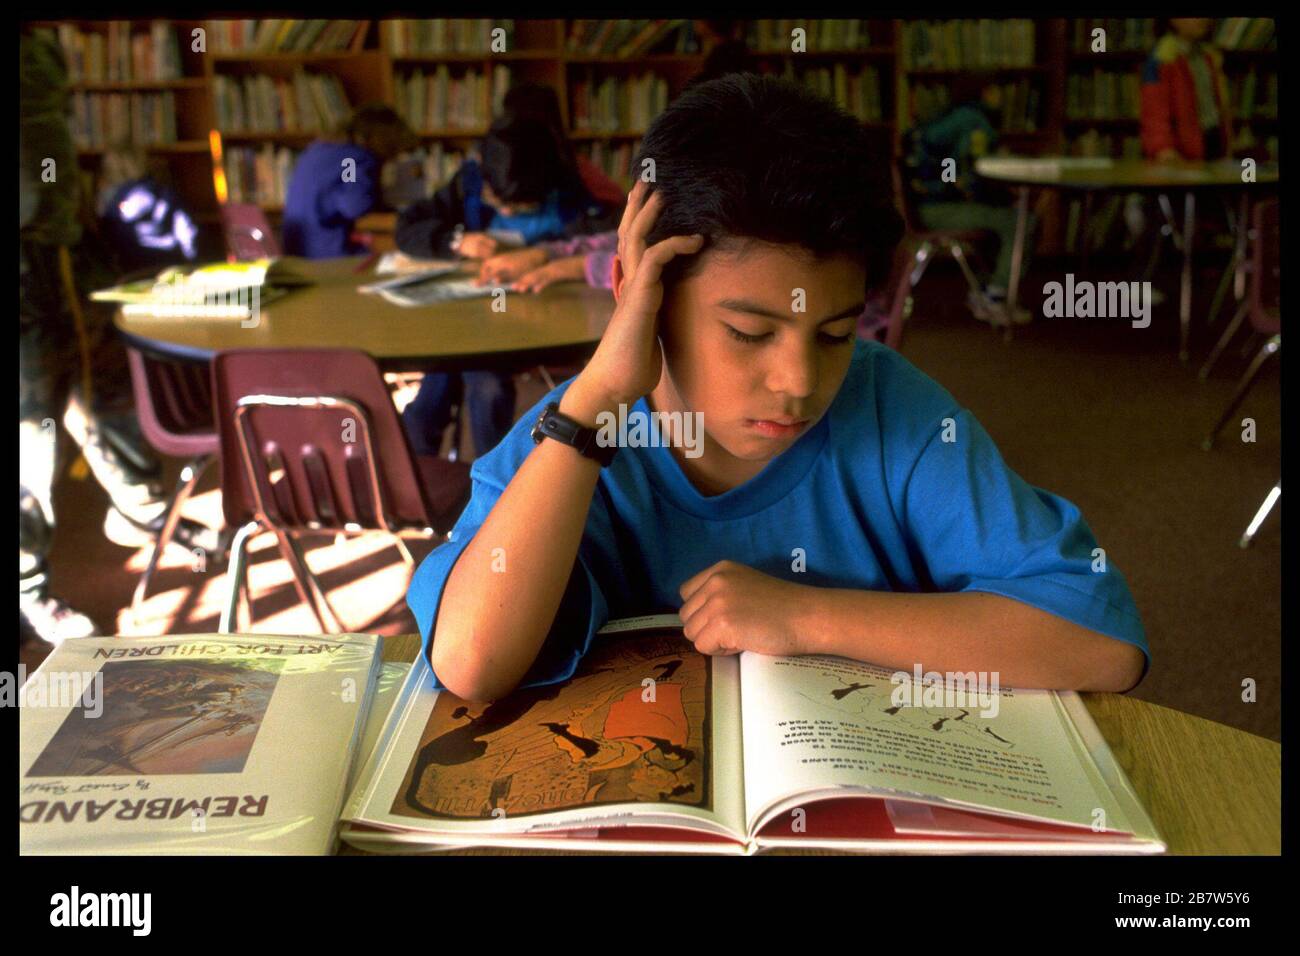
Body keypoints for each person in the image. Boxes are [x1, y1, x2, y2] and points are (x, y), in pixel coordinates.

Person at [406, 74, 1149, 703]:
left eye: (834, 333)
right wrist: (599, 394)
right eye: (750, 333)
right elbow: (472, 659)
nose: (799, 382)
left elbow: (1100, 642)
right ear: (644, 291)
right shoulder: (575, 429)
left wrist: (805, 618)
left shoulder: (894, 408)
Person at [20, 26, 211, 645]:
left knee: (104, 393)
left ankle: (144, 511)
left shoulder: (36, 46)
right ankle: (27, 589)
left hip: (61, 253)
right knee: (29, 436)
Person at [395, 113, 619, 458]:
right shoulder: (467, 184)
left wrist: (545, 259)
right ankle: (426, 465)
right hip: (478, 314)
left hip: (554, 315)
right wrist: (456, 240)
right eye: (499, 202)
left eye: (521, 206)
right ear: (482, 173)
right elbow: (407, 228)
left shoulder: (573, 187)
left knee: (475, 380)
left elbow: (608, 239)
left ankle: (488, 474)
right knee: (452, 375)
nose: (509, 213)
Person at [906, 73, 1035, 326]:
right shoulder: (974, 123)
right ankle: (996, 295)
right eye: (998, 91)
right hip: (940, 208)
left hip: (923, 205)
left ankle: (988, 286)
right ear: (986, 93)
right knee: (1021, 222)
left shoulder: (949, 117)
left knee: (1002, 216)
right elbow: (968, 170)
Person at [281, 103, 417, 258]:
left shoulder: (316, 150)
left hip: (299, 250)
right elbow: (353, 206)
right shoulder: (351, 160)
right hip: (328, 254)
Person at [1140, 18, 1233, 162]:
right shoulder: (1162, 58)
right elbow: (1154, 111)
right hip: (1183, 149)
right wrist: (1162, 147)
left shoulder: (1208, 56)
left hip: (1212, 138)